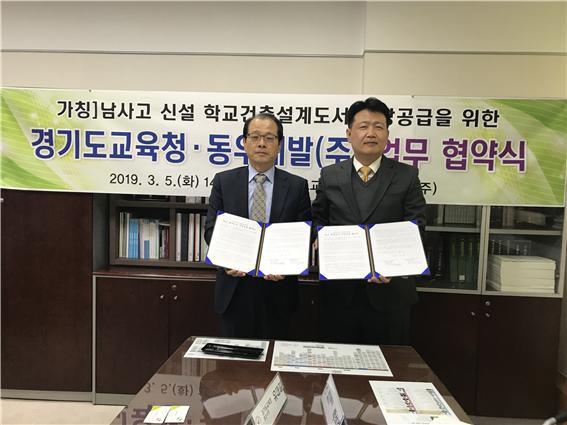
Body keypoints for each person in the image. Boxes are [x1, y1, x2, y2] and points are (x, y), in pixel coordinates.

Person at [312, 97, 426, 346]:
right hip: (340, 293)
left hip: (390, 294)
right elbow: (319, 219)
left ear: (387, 134)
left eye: (379, 126)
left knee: (389, 363)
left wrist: (394, 267)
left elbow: (416, 226)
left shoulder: (406, 175)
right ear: (349, 134)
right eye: (363, 126)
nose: (371, 133)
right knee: (338, 361)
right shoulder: (330, 175)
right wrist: (318, 238)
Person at [204, 113, 312, 339]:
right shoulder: (224, 181)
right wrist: (227, 259)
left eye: (269, 138)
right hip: (234, 288)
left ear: (279, 145)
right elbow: (211, 229)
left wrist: (286, 265)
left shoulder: (296, 186)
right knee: (234, 358)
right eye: (255, 137)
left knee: (275, 356)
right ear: (244, 142)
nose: (262, 143)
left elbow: (304, 234)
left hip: (279, 290)